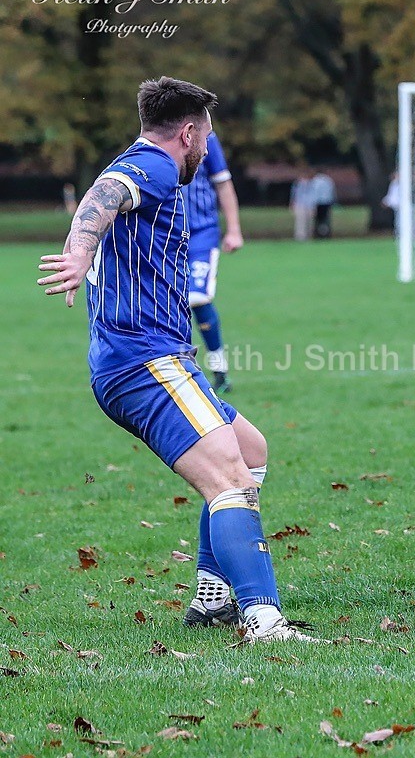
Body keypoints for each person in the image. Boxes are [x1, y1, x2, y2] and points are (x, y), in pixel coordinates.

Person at [37, 76, 319, 643]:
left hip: (158, 359)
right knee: (231, 480)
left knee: (250, 450)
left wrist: (82, 247)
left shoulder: (143, 162)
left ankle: (213, 597)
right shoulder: (157, 167)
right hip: (142, 364)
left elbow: (107, 195)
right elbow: (103, 196)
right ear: (188, 133)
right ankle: (264, 620)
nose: (206, 149)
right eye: (206, 137)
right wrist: (81, 249)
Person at [183, 130, 243, 394]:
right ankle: (176, 371)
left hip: (201, 232)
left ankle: (219, 371)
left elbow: (223, 183)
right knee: (170, 300)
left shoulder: (207, 137)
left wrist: (233, 229)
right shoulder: (155, 134)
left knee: (196, 296)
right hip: (166, 234)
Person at [289, 167, 314, 241]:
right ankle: (300, 236)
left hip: (310, 204)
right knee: (300, 221)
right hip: (300, 204)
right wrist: (292, 204)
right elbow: (294, 194)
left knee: (309, 221)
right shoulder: (297, 184)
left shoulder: (312, 184)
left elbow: (314, 195)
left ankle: (309, 235)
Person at [310, 169, 336, 238]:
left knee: (318, 220)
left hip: (318, 202)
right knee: (326, 219)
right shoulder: (328, 180)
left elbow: (314, 192)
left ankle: (318, 234)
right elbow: (331, 191)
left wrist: (312, 202)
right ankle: (327, 233)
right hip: (327, 202)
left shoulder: (315, 180)